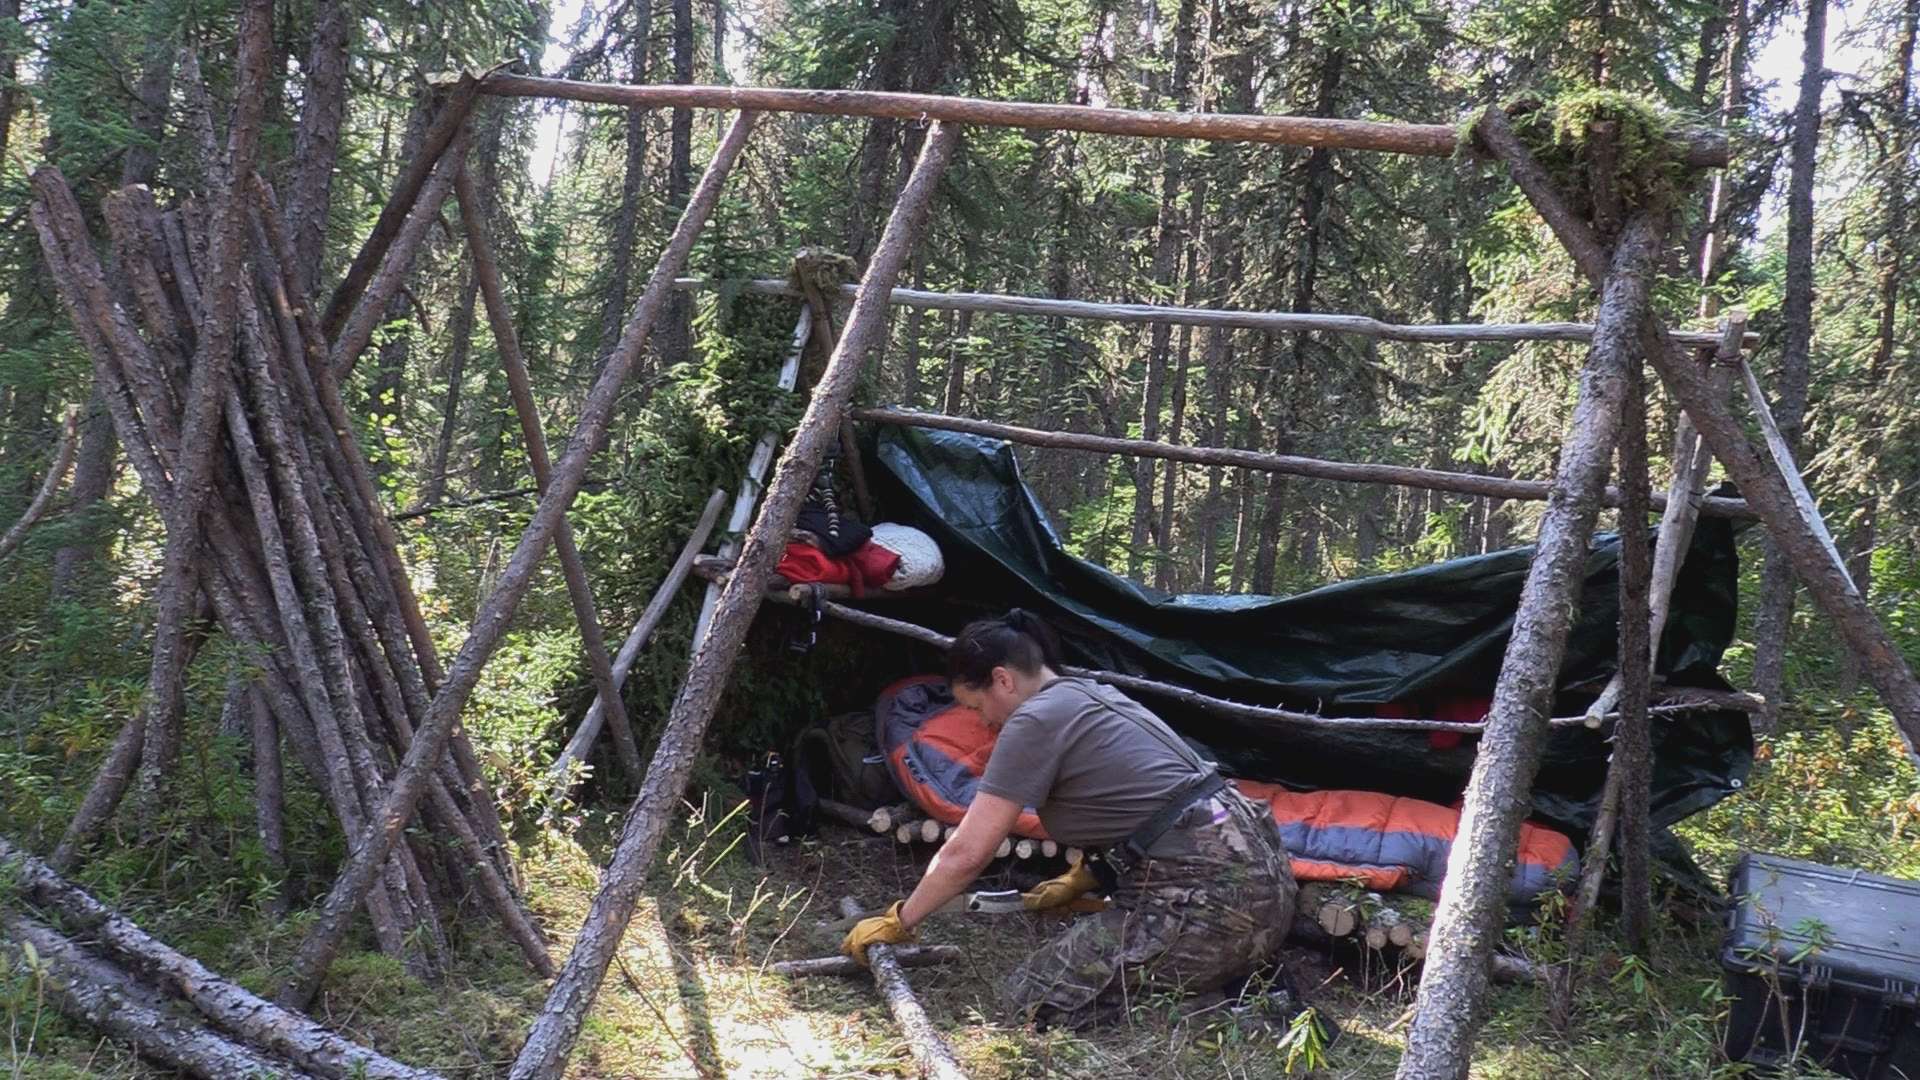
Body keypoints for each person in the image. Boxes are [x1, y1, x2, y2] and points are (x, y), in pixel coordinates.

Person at [843, 609, 1298, 1028]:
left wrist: (902, 921)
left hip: (1215, 904)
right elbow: (1152, 801)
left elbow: (967, 851)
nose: (982, 723)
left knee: (1032, 1001)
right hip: (1266, 887)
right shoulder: (1091, 694)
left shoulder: (1033, 720)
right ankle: (1234, 972)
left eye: (976, 707)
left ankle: (1226, 1010)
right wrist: (1089, 875)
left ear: (1002, 680)